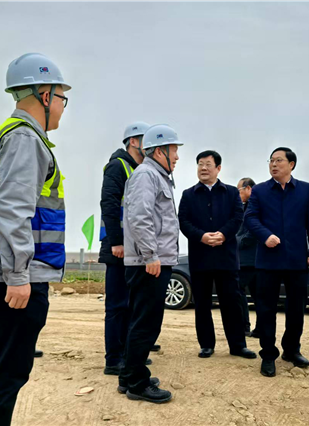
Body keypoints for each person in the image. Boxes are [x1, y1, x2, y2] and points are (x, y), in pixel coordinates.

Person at [0, 53, 70, 426]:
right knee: (6, 375)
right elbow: (12, 210)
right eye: (61, 98)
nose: (62, 107)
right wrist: (18, 275)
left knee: (0, 369)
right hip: (10, 278)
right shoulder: (25, 138)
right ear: (45, 95)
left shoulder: (12, 135)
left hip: (0, 271)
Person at [118, 124, 183, 404]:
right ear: (159, 151)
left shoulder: (156, 175)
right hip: (149, 263)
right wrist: (150, 255)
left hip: (153, 260)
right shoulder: (146, 175)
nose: (177, 157)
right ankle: (137, 383)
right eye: (173, 150)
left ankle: (128, 375)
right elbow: (139, 217)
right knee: (146, 323)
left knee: (141, 321)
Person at [245, 147, 309, 378]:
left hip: (297, 261)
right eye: (271, 161)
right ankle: (268, 355)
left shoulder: (305, 189)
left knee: (296, 309)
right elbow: (250, 218)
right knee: (266, 309)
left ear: (291, 164)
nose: (274, 164)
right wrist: (265, 235)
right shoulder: (260, 190)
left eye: (279, 160)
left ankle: (292, 349)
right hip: (268, 261)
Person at [179, 151, 256, 360]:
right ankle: (206, 344)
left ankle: (238, 345)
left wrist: (223, 234)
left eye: (208, 164)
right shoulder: (188, 194)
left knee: (231, 303)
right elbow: (183, 222)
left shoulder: (230, 193)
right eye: (200, 164)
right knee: (202, 304)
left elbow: (237, 218)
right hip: (200, 256)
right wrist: (202, 236)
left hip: (226, 257)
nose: (203, 168)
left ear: (218, 168)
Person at [99, 121, 159, 376]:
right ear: (133, 141)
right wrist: (116, 242)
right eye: (145, 139)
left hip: (133, 249)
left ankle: (127, 353)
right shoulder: (118, 166)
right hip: (119, 248)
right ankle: (114, 359)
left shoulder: (139, 169)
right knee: (117, 306)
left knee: (131, 305)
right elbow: (109, 204)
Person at [236, 177, 260, 337]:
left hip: (250, 259)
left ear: (248, 189)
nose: (237, 194)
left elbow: (253, 232)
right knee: (257, 295)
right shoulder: (244, 207)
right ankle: (255, 328)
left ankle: (244, 326)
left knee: (240, 291)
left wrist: (236, 242)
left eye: (239, 190)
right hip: (248, 259)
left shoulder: (256, 206)